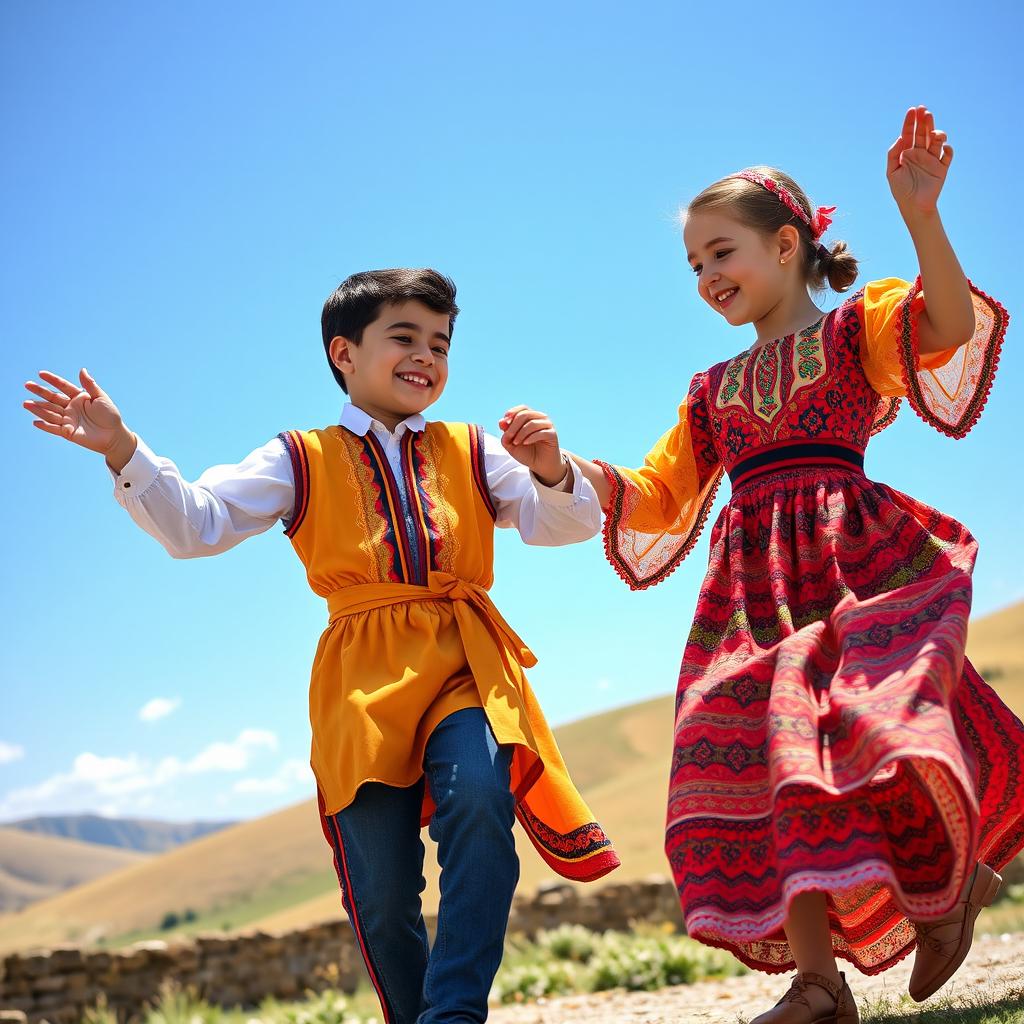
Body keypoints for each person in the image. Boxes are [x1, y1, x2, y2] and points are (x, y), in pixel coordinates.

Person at [24, 267, 619, 1024]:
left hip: (464, 658)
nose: (426, 356)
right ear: (344, 351)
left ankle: (455, 1015)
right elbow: (195, 525)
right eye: (403, 337)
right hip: (360, 684)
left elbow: (560, 524)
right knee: (379, 886)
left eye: (440, 343)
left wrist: (551, 470)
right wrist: (123, 447)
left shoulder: (473, 450)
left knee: (480, 793)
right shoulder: (297, 456)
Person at [560, 107, 1021, 1023]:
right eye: (693, 265)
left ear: (785, 245)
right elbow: (658, 494)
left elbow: (945, 324)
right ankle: (819, 985)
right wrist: (560, 469)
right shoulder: (709, 392)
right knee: (758, 752)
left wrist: (923, 216)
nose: (706, 277)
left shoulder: (855, 331)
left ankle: (956, 882)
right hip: (750, 596)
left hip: (855, 566)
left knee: (878, 727)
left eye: (720, 253)